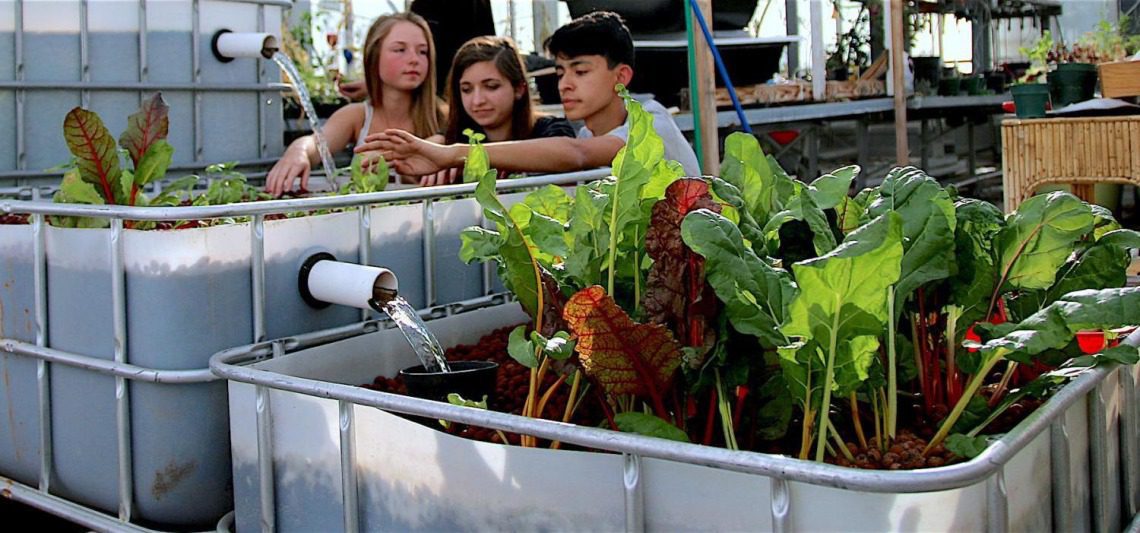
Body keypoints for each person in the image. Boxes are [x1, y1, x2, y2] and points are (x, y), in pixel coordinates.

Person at [356, 11, 700, 179]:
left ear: (621, 76)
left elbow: (578, 154)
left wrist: (451, 154)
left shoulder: (651, 120)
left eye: (580, 71)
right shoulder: (585, 133)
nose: (565, 84)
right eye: (560, 72)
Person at [266, 12, 443, 196]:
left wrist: (444, 147)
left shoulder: (442, 116)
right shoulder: (358, 116)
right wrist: (298, 151)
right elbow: (316, 143)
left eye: (423, 52)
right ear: (374, 56)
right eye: (400, 50)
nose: (414, 59)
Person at [418, 36, 575, 186]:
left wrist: (462, 155)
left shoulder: (550, 129)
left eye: (491, 86)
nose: (477, 100)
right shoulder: (453, 139)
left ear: (519, 89)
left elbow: (569, 154)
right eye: (466, 89)